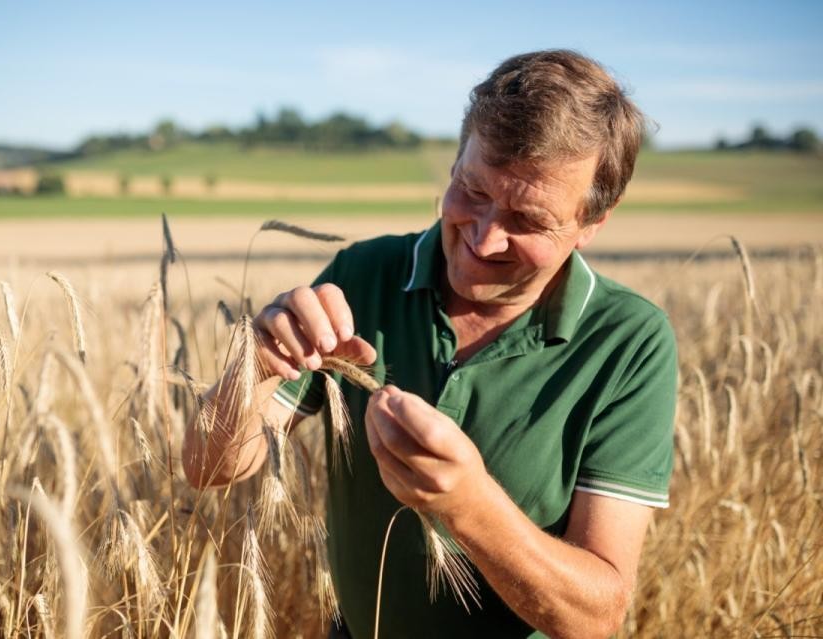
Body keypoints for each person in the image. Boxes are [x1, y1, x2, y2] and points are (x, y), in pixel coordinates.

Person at [183, 49, 677, 639]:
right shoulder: (364, 275)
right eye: (472, 189)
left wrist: (468, 505)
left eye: (528, 220)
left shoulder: (629, 342)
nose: (485, 237)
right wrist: (254, 369)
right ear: (455, 161)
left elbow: (595, 617)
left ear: (594, 221)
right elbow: (207, 469)